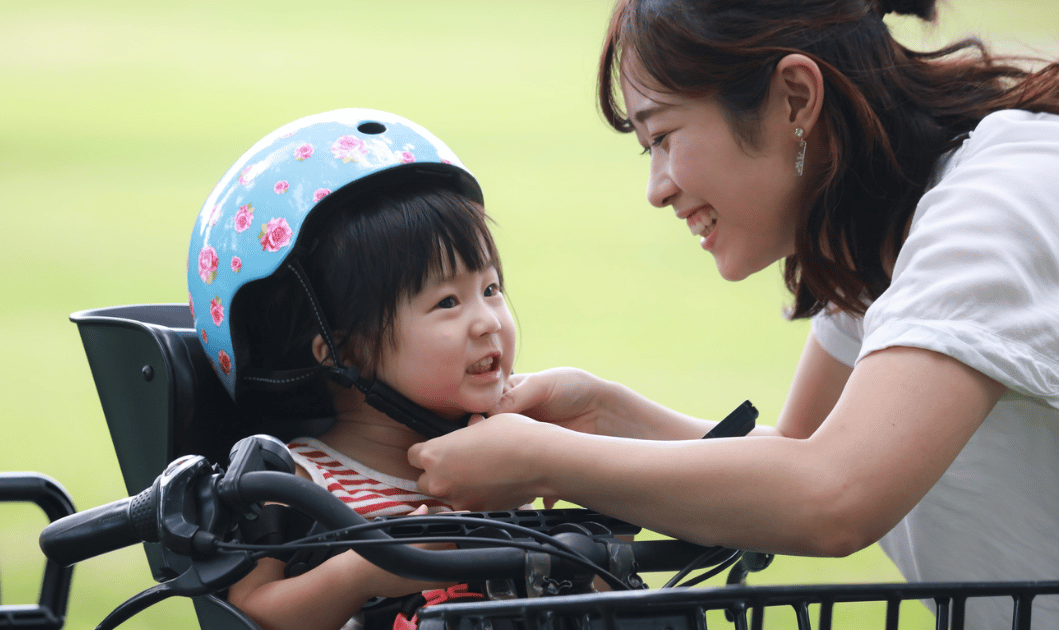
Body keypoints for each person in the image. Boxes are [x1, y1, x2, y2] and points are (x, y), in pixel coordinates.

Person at [407, 0, 1059, 626]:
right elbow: (797, 457)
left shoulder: (994, 205)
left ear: (796, 98)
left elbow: (834, 495)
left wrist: (543, 459)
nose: (657, 188)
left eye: (663, 135)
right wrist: (604, 415)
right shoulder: (883, 226)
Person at [185, 109, 518, 630]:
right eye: (448, 301)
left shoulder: (517, 454)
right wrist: (369, 568)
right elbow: (250, 613)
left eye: (492, 289)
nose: (487, 321)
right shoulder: (296, 483)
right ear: (344, 352)